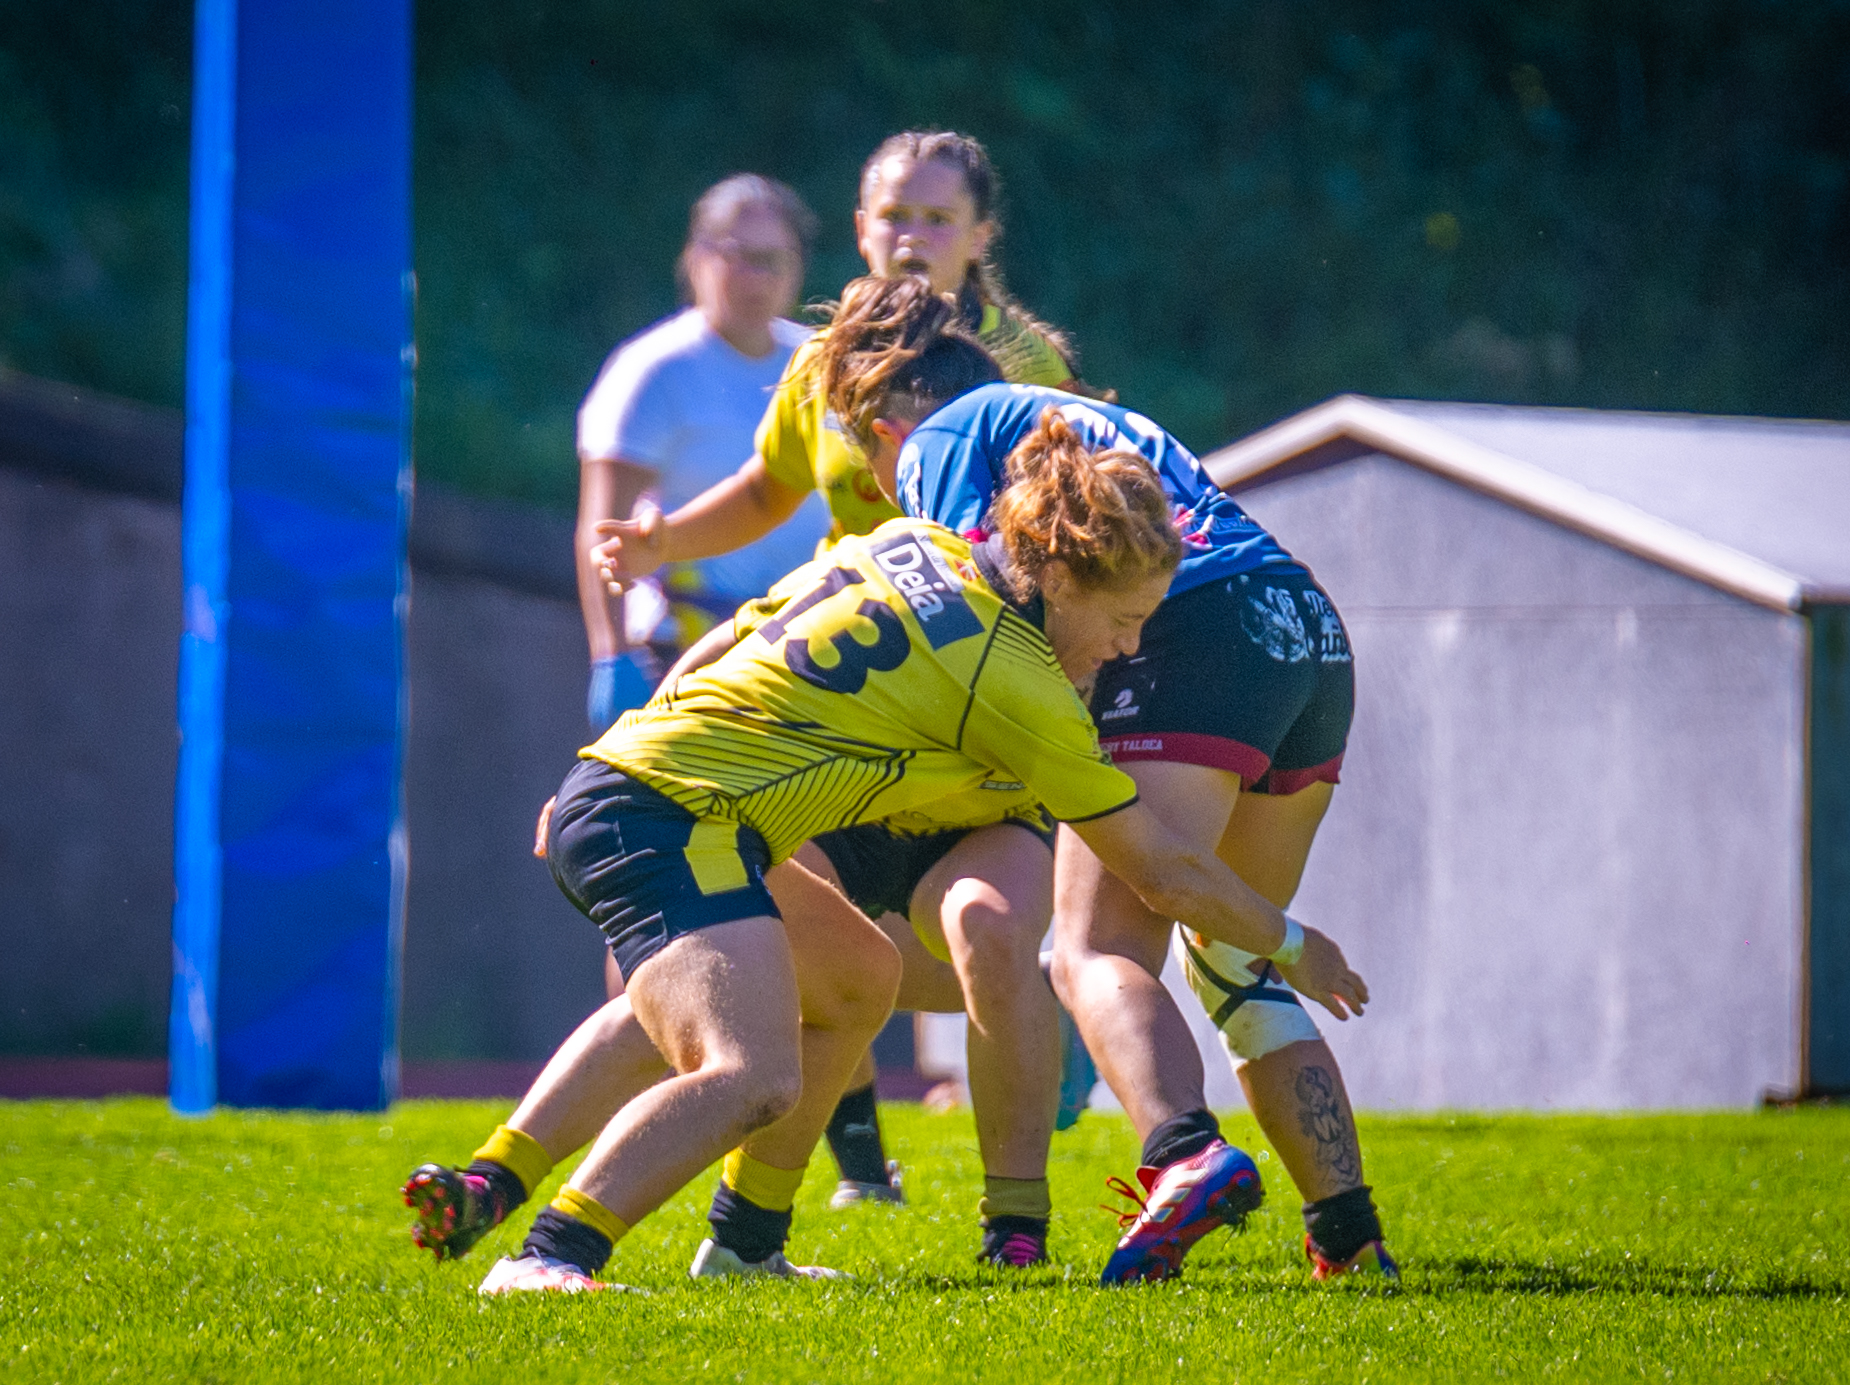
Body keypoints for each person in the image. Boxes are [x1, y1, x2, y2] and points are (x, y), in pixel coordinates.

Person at [418, 338, 1369, 1295]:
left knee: (856, 977)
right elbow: (1158, 870)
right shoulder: (1015, 679)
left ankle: (743, 1244)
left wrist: (601, 758)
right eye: (1126, 623)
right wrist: (1292, 943)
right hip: (672, 817)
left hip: (642, 784)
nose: (1128, 652)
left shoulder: (904, 542)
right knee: (752, 1073)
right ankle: (549, 1255)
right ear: (1066, 575)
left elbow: (729, 636)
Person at [592, 130, 1092, 1225]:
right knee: (791, 911)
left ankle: (1019, 1195)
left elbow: (1083, 538)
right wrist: (661, 542)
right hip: (845, 693)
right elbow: (768, 487)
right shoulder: (825, 354)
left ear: (980, 236)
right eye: (890, 216)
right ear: (858, 229)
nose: (910, 237)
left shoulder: (1023, 366)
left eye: (935, 218)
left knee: (986, 933)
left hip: (975, 711)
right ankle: (791, 1200)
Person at [892, 378, 1400, 1284]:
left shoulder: (931, 439)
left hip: (1195, 624)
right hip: (1302, 620)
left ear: (881, 421)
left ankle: (1183, 1154)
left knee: (1092, 949)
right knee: (1230, 951)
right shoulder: (1068, 412)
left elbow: (989, 604)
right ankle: (1349, 1234)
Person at [575, 173, 829, 737]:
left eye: (774, 259)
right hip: (681, 653)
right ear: (696, 258)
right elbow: (601, 527)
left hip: (803, 652)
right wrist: (611, 656)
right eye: (738, 256)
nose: (756, 278)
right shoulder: (654, 370)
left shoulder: (817, 364)